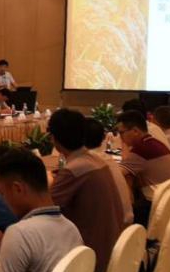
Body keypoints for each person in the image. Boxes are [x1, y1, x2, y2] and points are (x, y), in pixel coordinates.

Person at [0, 149, 83, 272]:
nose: (4, 201)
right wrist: (5, 247)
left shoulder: (19, 233)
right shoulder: (71, 228)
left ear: (17, 189)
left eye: (3, 194)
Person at [47, 109, 126, 272]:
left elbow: (44, 208)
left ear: (53, 138)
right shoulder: (98, 161)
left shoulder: (74, 169)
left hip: (89, 257)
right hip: (113, 247)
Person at [115, 111, 170, 226]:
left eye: (122, 133)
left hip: (159, 207)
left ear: (135, 131)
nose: (120, 137)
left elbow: (116, 174)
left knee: (120, 212)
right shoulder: (155, 143)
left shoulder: (141, 149)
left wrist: (125, 147)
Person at [82, 118, 133, 225]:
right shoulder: (108, 159)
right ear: (103, 138)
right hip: (128, 225)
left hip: (113, 228)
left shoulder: (87, 163)